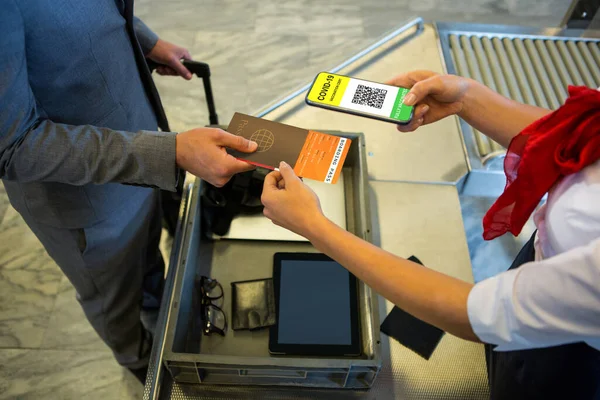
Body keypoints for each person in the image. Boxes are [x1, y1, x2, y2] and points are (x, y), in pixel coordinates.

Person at [261, 70, 600, 399]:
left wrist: (313, 226)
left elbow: (478, 314)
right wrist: (466, 99)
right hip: (547, 271)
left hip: (566, 359)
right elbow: (576, 136)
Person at [0, 0, 256, 383]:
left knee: (145, 254)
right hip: (84, 199)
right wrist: (168, 152)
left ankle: (154, 303)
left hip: (137, 154)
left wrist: (144, 41)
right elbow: (16, 146)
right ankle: (139, 361)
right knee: (113, 297)